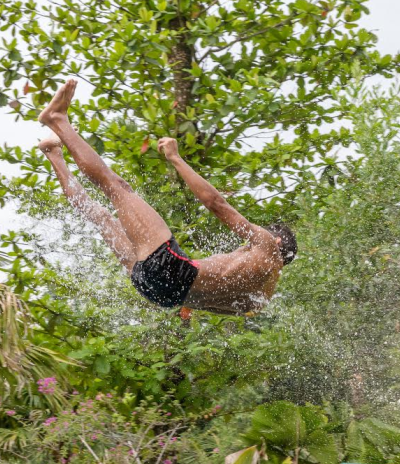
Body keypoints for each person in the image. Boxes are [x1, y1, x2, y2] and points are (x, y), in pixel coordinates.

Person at [37, 79, 297, 317]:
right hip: (158, 293)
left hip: (171, 268)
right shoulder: (261, 299)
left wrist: (176, 158)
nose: (245, 245)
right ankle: (53, 153)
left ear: (276, 241)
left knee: (117, 187)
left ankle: (57, 119)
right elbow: (205, 302)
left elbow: (216, 204)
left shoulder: (266, 246)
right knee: (102, 218)